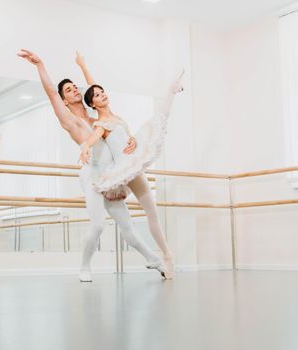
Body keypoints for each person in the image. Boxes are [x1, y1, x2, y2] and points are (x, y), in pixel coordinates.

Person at [18, 49, 167, 281]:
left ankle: (154, 260)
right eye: (68, 90)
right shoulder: (69, 120)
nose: (74, 90)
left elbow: (95, 90)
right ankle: (84, 267)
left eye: (74, 87)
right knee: (98, 226)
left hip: (111, 175)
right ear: (64, 100)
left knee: (126, 225)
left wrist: (83, 66)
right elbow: (50, 93)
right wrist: (40, 65)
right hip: (92, 176)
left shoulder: (95, 115)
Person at [77, 53, 183, 278]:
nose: (102, 94)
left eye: (102, 91)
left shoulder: (115, 116)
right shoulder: (101, 123)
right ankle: (171, 91)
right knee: (157, 120)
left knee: (152, 211)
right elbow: (95, 136)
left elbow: (93, 85)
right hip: (124, 168)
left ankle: (165, 254)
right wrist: (86, 147)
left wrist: (84, 65)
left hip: (132, 162)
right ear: (92, 103)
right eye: (97, 95)